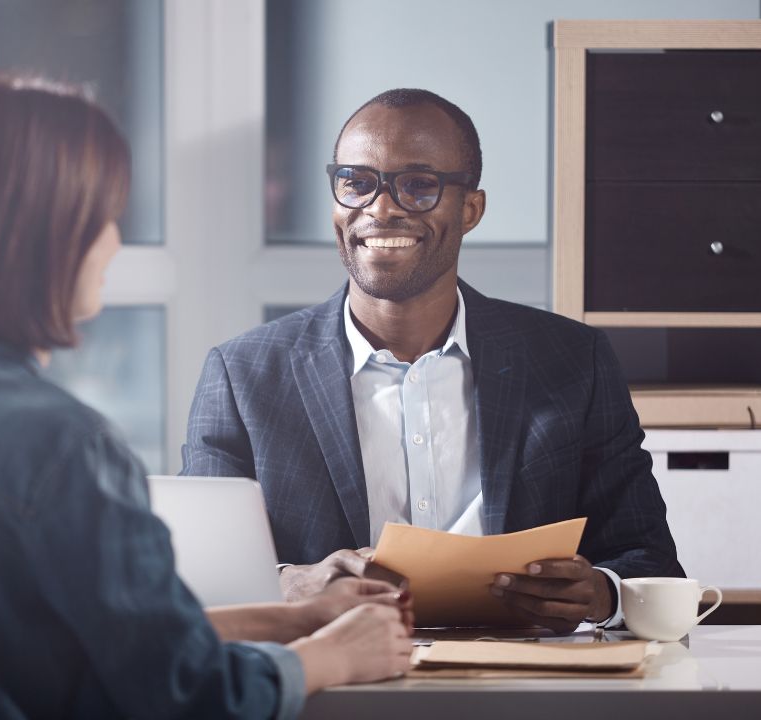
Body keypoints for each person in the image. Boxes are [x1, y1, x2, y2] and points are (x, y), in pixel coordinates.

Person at [0, 77, 414, 719]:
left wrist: (297, 619)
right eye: (103, 218)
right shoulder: (57, 443)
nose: (113, 245)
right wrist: (334, 657)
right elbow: (181, 694)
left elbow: (67, 643)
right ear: (45, 237)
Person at [182, 88, 683, 634]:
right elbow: (200, 583)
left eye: (418, 185)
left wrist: (598, 594)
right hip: (336, 692)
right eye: (356, 182)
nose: (380, 208)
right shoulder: (243, 376)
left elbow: (649, 561)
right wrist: (287, 584)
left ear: (470, 210)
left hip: (523, 687)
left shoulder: (573, 361)